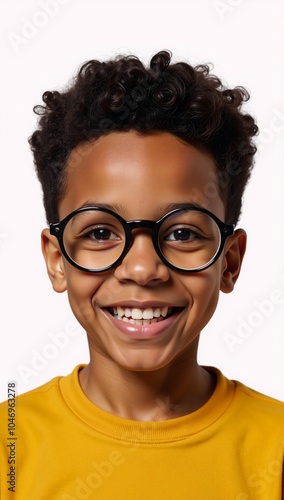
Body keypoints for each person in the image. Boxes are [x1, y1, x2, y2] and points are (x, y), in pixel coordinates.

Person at [0, 50, 283, 500]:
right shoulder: (9, 450)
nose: (142, 268)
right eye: (99, 232)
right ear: (57, 259)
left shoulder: (276, 449)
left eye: (183, 232)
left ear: (229, 261)